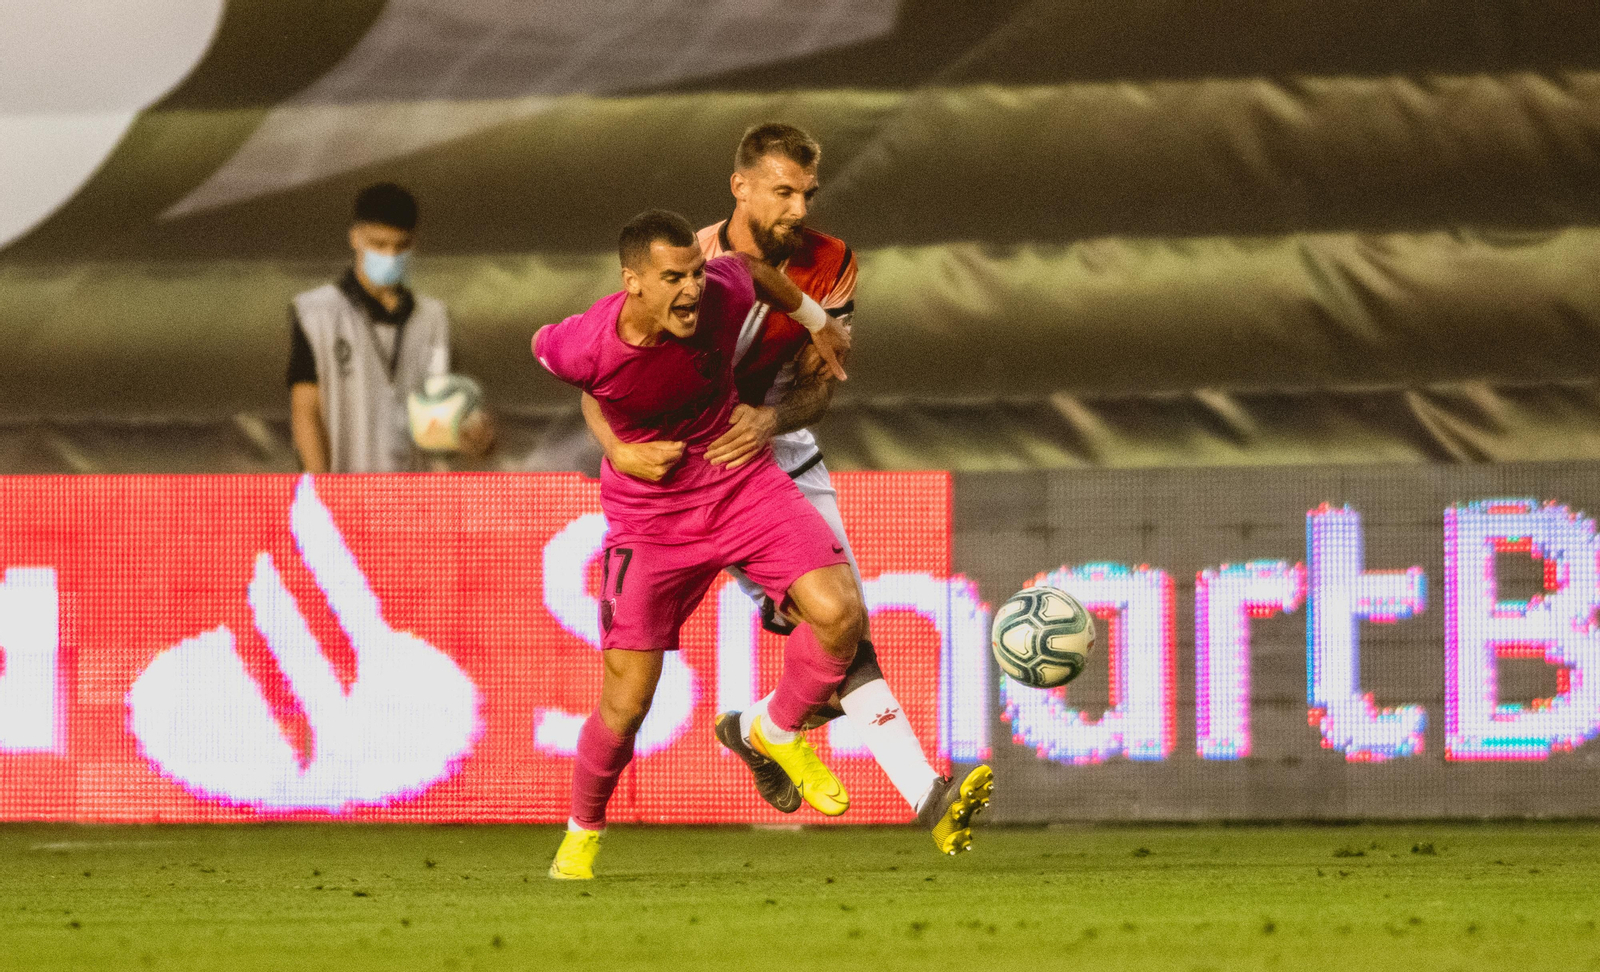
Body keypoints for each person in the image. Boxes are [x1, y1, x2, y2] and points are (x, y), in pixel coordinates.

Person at [580, 123, 994, 856]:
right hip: (699, 475)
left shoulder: (832, 263)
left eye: (807, 193)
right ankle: (812, 752)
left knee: (840, 621)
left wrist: (770, 417)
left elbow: (818, 385)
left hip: (781, 451)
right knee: (823, 624)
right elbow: (605, 365)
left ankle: (809, 750)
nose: (798, 209)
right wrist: (621, 449)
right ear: (740, 187)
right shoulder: (686, 261)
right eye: (782, 192)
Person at [534, 210, 864, 880]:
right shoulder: (583, 342)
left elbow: (757, 275)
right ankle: (581, 833)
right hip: (650, 519)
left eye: (693, 272)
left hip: (739, 482)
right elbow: (570, 372)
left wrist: (813, 318)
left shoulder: (721, 287)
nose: (692, 290)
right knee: (626, 706)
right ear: (632, 282)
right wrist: (617, 449)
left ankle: (776, 729)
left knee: (840, 613)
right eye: (672, 278)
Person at [287, 182, 492, 472]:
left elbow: (442, 409)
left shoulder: (434, 318)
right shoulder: (316, 313)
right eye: (379, 244)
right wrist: (320, 489)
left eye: (401, 246)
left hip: (414, 499)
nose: (390, 256)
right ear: (355, 237)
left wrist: (469, 435)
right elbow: (306, 411)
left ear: (414, 243)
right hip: (345, 490)